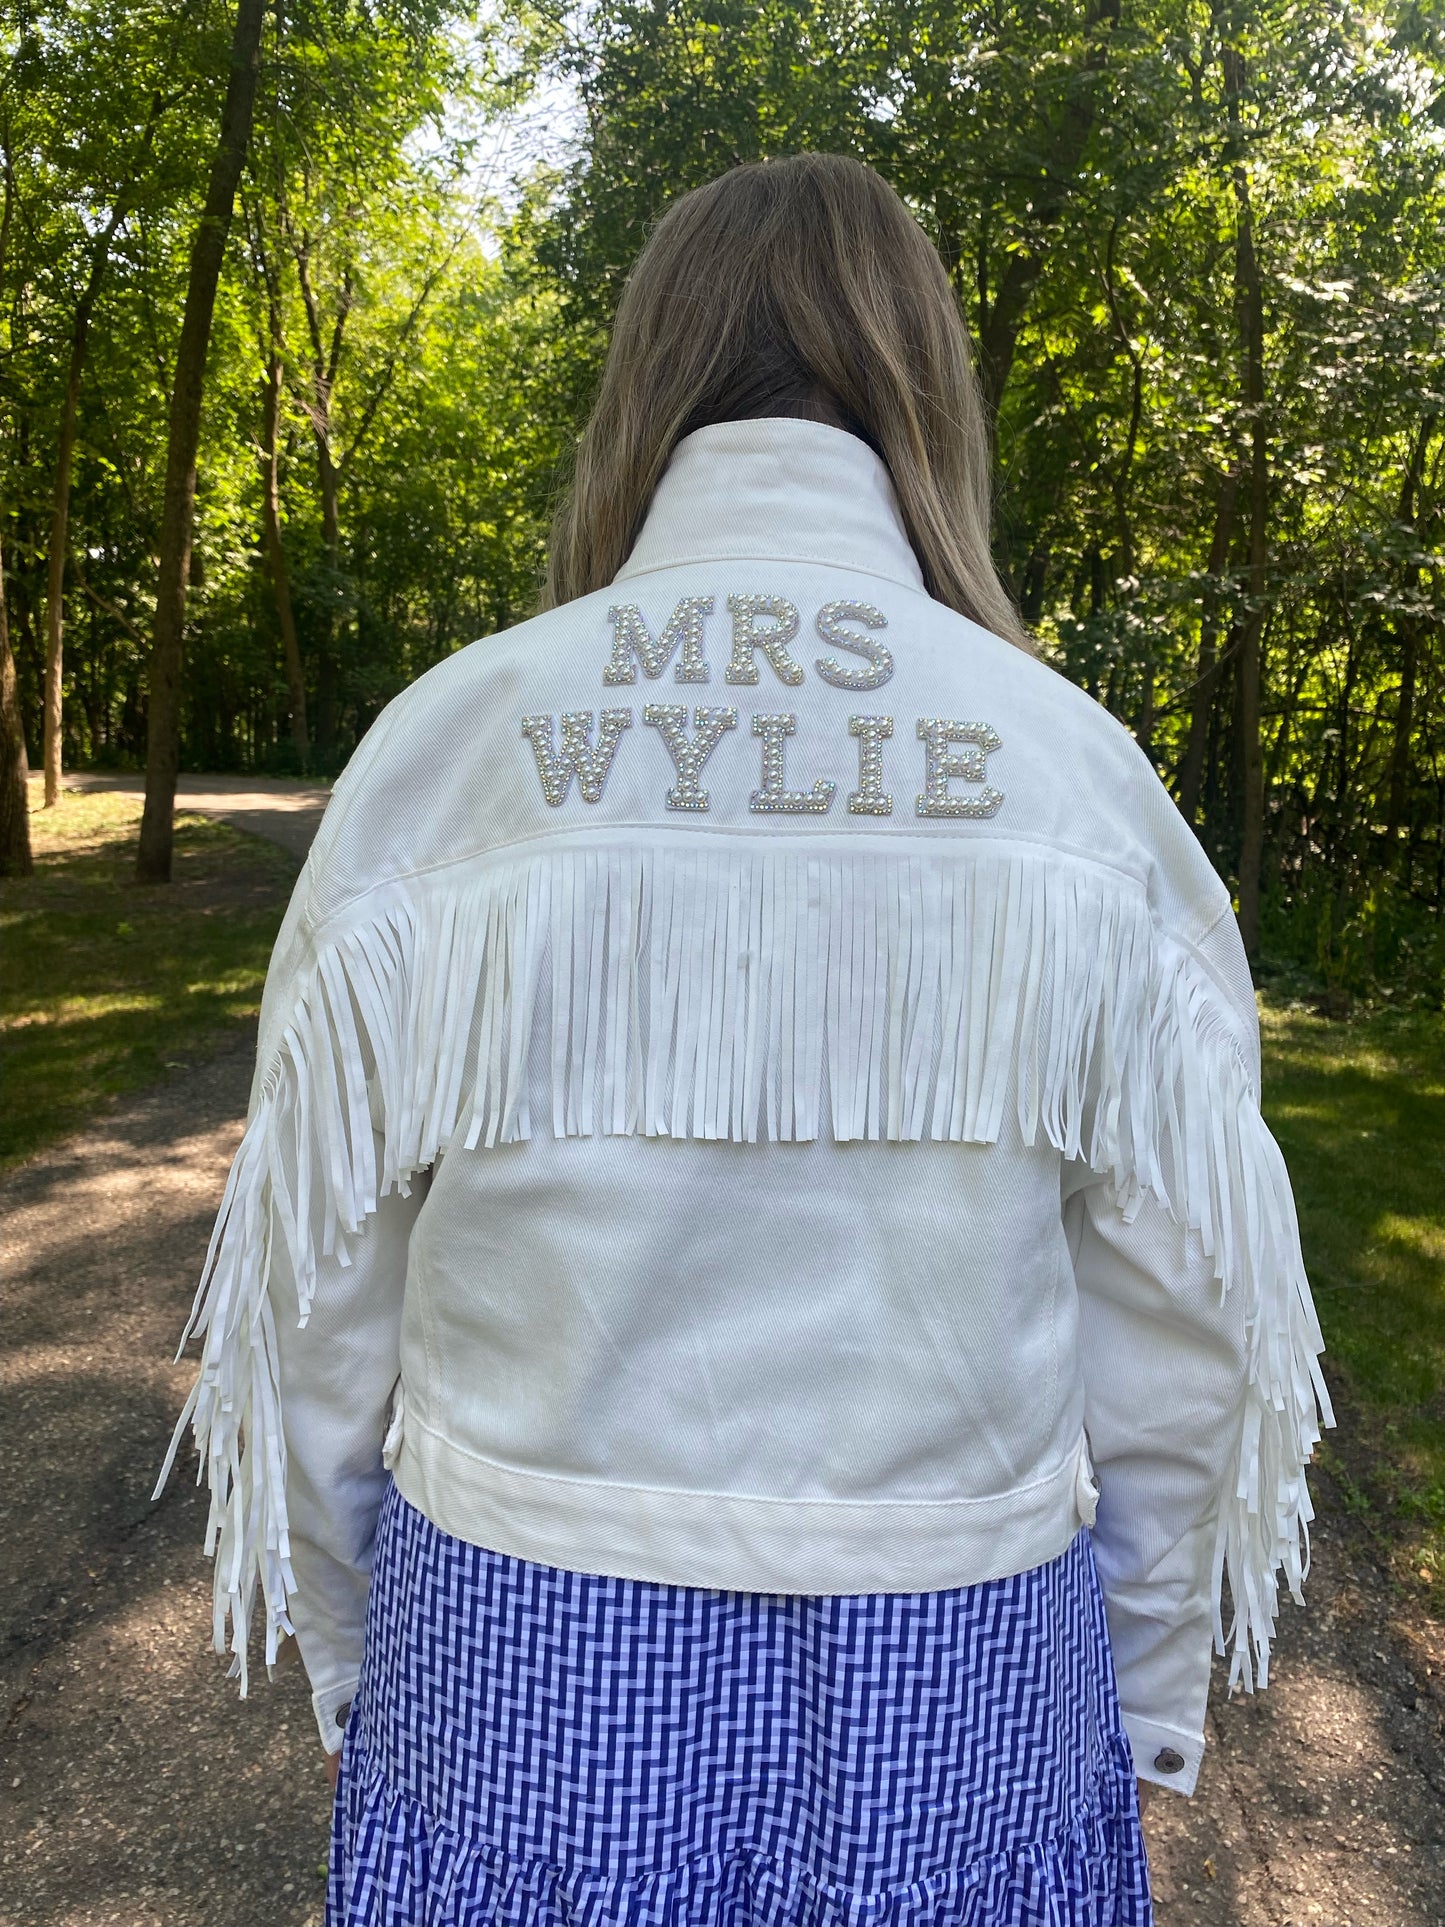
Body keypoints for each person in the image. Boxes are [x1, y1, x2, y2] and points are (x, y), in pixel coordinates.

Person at [156, 153, 1332, 1926]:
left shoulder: (457, 740)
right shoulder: (1069, 766)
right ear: (924, 386)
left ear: (648, 380)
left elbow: (318, 1292)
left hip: (514, 1650)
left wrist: (346, 1651)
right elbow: (1184, 1325)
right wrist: (1145, 1704)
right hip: (965, 1657)